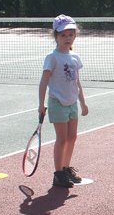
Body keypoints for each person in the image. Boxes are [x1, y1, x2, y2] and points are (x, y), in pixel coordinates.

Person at [38, 14, 89, 188]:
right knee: (61, 139)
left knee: (72, 137)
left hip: (72, 103)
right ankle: (58, 174)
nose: (67, 38)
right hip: (57, 103)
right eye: (63, 35)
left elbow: (77, 82)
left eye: (71, 34)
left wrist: (83, 102)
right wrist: (41, 104)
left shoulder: (75, 57)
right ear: (56, 36)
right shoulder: (52, 58)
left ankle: (66, 169)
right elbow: (44, 82)